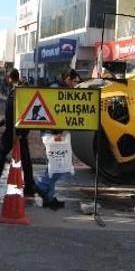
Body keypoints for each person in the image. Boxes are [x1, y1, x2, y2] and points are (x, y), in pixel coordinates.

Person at [0, 69, 38, 197]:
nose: (5, 80)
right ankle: (29, 186)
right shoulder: (15, 91)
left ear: (10, 78)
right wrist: (0, 123)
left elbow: (22, 114)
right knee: (25, 159)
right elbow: (11, 114)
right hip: (14, 130)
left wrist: (20, 132)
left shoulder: (18, 92)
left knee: (1, 154)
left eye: (6, 77)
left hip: (15, 131)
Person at [35, 69, 82, 210]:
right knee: (60, 164)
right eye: (75, 81)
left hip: (55, 133)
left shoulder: (59, 87)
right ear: (68, 78)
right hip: (53, 134)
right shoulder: (56, 89)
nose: (76, 85)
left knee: (54, 164)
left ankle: (48, 199)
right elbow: (53, 112)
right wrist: (57, 132)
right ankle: (42, 187)